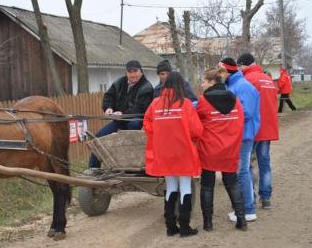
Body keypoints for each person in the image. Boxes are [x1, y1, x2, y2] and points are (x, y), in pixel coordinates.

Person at [144, 71, 203, 237]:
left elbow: (147, 124)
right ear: (180, 85)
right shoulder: (185, 105)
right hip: (183, 151)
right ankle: (184, 226)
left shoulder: (155, 104)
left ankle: (170, 227)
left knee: (170, 187)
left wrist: (159, 135)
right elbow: (197, 130)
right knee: (185, 186)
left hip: (163, 152)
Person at [196, 68, 247, 232]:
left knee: (207, 185)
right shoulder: (235, 99)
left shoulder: (203, 101)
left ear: (212, 82)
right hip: (230, 148)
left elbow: (197, 122)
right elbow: (240, 123)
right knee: (232, 183)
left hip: (210, 148)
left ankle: (208, 224)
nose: (201, 85)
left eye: (203, 81)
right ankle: (241, 220)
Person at [87, 60, 153, 170]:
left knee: (133, 126)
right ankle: (93, 168)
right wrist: (108, 108)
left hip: (137, 122)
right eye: (130, 72)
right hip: (119, 120)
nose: (133, 74)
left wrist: (123, 114)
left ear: (141, 72)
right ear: (126, 73)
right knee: (98, 137)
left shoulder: (146, 87)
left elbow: (140, 108)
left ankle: (131, 164)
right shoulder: (119, 82)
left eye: (135, 71)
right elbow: (109, 96)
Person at [219, 58, 260, 222]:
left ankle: (248, 209)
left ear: (227, 71)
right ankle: (242, 208)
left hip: (243, 135)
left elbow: (247, 113)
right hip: (237, 134)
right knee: (241, 170)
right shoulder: (233, 85)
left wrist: (224, 116)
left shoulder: (242, 86)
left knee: (241, 171)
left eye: (220, 71)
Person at [237, 53, 279, 211]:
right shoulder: (267, 79)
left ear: (243, 65)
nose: (239, 69)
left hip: (253, 128)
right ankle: (266, 198)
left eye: (239, 66)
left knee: (246, 165)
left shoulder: (247, 80)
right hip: (268, 127)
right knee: (264, 164)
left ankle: (250, 197)